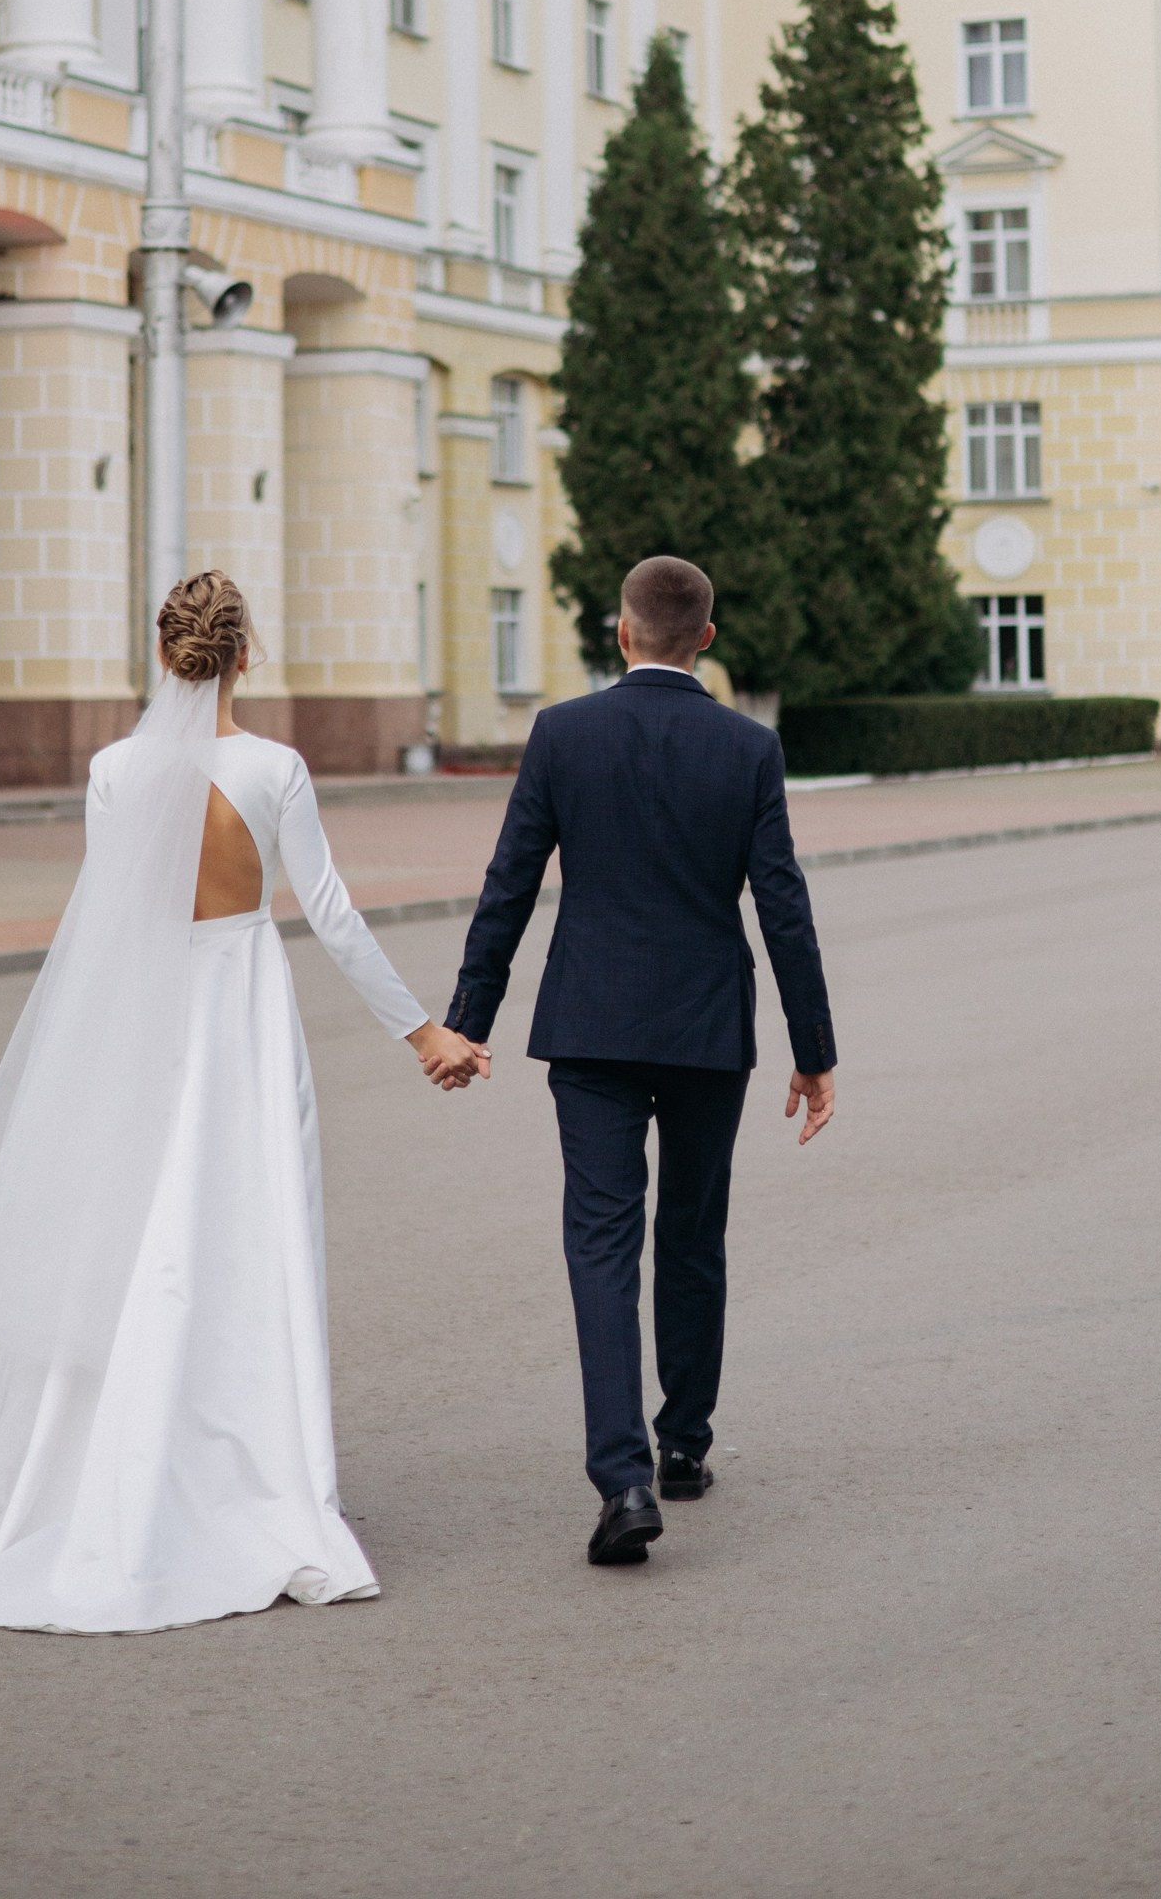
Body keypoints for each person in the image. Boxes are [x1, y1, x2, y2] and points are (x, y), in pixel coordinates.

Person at [0, 570, 485, 1634]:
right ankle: (255, 1475)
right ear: (243, 656)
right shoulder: (274, 769)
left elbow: (110, 917)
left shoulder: (114, 771)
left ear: (162, 656)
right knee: (245, 1235)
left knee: (138, 1236)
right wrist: (422, 1032)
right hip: (241, 1017)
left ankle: (110, 1476)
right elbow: (333, 918)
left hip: (145, 1018)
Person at [444, 553, 836, 1566]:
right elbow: (780, 904)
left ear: (620, 634)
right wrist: (813, 1050)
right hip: (709, 1029)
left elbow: (508, 885)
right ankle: (683, 1444)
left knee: (601, 1245)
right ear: (703, 638)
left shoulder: (562, 734)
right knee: (693, 1232)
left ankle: (619, 1482)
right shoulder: (747, 747)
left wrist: (466, 1020)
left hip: (591, 1026)